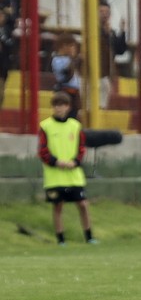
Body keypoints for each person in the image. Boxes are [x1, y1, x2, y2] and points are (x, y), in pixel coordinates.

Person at [38, 91, 97, 245]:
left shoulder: (75, 126)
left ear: (68, 107)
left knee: (83, 205)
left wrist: (75, 162)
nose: (59, 109)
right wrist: (56, 162)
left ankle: (89, 237)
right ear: (52, 107)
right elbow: (42, 151)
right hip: (55, 176)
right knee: (58, 207)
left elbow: (81, 148)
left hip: (73, 175)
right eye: (56, 105)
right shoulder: (46, 126)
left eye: (62, 105)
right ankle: (61, 240)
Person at [98, 2, 128, 108]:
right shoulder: (93, 31)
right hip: (95, 71)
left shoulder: (110, 32)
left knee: (104, 99)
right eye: (101, 11)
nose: (104, 14)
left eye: (107, 12)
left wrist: (122, 31)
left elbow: (120, 50)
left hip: (106, 71)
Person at [51, 32, 81, 120]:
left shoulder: (70, 60)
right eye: (72, 46)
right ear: (64, 46)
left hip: (74, 92)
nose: (74, 49)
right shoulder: (57, 60)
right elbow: (66, 74)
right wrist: (74, 60)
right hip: (65, 91)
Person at [0, 7, 14, 108]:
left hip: (2, 66)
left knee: (1, 90)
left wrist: (3, 41)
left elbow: (11, 45)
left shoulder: (7, 30)